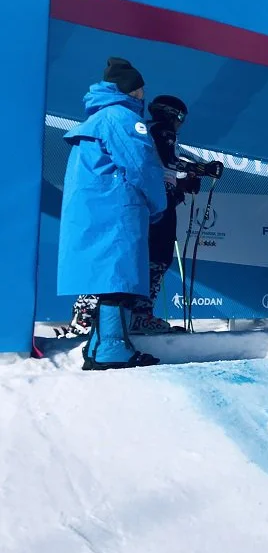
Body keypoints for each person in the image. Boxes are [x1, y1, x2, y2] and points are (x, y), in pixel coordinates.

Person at [57, 58, 167, 369]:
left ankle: (98, 348)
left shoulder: (97, 119)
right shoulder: (122, 119)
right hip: (117, 212)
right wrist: (159, 204)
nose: (144, 95)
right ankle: (112, 350)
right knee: (119, 280)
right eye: (141, 89)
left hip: (96, 211)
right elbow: (143, 166)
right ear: (130, 91)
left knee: (109, 278)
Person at [130, 95, 222, 333]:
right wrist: (201, 169)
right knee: (158, 256)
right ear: (172, 115)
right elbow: (170, 160)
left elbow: (162, 167)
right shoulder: (162, 130)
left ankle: (129, 314)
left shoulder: (147, 130)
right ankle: (140, 315)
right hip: (157, 201)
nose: (181, 124)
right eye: (181, 118)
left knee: (148, 256)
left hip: (149, 199)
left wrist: (181, 188)